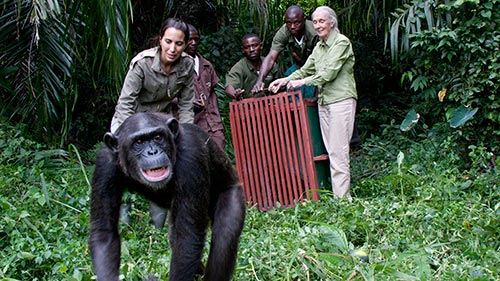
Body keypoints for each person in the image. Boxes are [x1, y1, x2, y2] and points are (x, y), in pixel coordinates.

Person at [110, 18, 194, 228]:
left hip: (160, 123)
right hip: (130, 121)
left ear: (185, 45)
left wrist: (187, 137)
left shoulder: (187, 66)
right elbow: (125, 103)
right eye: (168, 41)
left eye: (179, 43)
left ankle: (157, 226)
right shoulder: (142, 63)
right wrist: (124, 139)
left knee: (166, 170)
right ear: (160, 40)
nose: (172, 49)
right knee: (120, 170)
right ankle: (123, 221)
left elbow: (185, 106)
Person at [268, 6, 357, 200]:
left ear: (332, 23)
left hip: (340, 100)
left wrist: (301, 82)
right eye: (315, 22)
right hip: (324, 102)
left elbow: (328, 73)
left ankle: (343, 201)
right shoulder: (319, 47)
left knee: (338, 152)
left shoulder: (341, 43)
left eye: (321, 21)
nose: (317, 26)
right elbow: (306, 69)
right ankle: (340, 198)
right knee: (332, 151)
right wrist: (283, 81)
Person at [251, 5, 319, 97]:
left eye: (297, 22)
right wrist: (260, 80)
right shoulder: (284, 32)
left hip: (317, 67)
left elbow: (323, 62)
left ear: (304, 20)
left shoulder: (314, 32)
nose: (292, 26)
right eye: (288, 23)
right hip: (300, 67)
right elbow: (271, 57)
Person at [185, 24, 226, 150]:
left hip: (213, 125)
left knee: (219, 158)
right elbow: (168, 96)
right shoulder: (176, 68)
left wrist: (217, 116)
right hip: (192, 125)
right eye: (189, 39)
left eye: (196, 39)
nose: (193, 43)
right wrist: (189, 103)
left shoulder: (206, 65)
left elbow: (213, 92)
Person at [225, 33, 280, 100]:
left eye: (255, 46)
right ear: (243, 50)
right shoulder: (239, 67)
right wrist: (234, 93)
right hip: (248, 107)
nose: (251, 50)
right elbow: (229, 87)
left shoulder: (270, 64)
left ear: (261, 46)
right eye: (247, 47)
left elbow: (281, 85)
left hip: (270, 105)